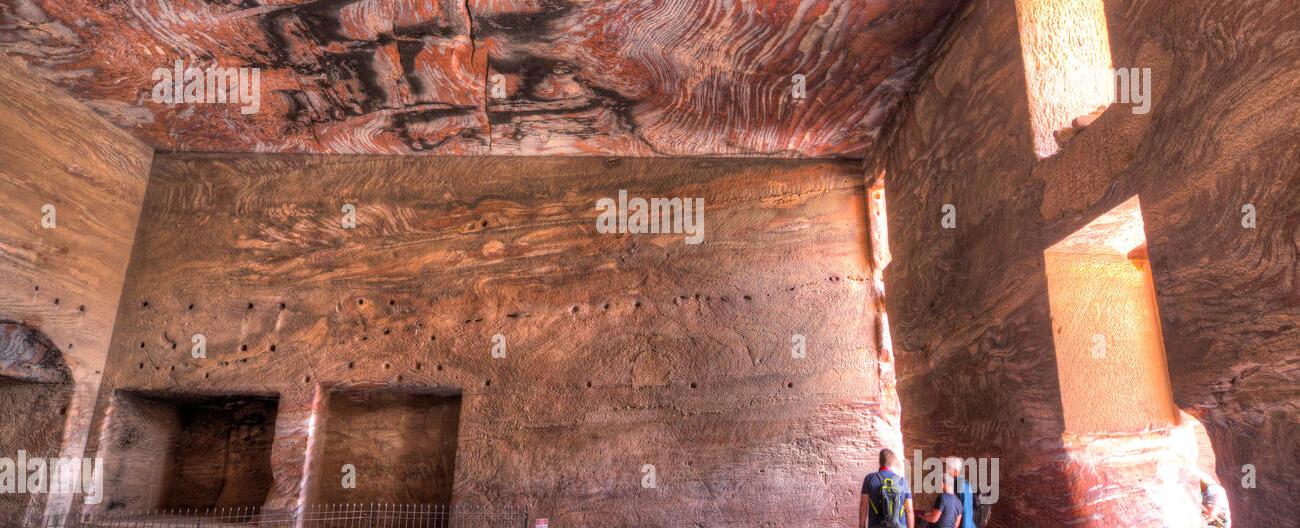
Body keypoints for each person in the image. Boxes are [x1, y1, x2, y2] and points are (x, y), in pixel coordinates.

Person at [860, 448, 914, 528]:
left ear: (879, 461)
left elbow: (863, 505)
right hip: (899, 525)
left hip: (876, 525)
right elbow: (909, 511)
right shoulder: (903, 482)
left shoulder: (870, 479)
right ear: (893, 463)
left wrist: (861, 525)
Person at [918, 457, 963, 528]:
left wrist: (923, 517)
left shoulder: (942, 497)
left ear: (943, 483)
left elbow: (934, 519)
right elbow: (956, 525)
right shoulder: (959, 502)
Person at [949, 457, 976, 528]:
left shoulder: (963, 486)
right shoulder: (956, 483)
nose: (947, 471)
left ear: (954, 469)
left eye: (948, 468)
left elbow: (967, 510)